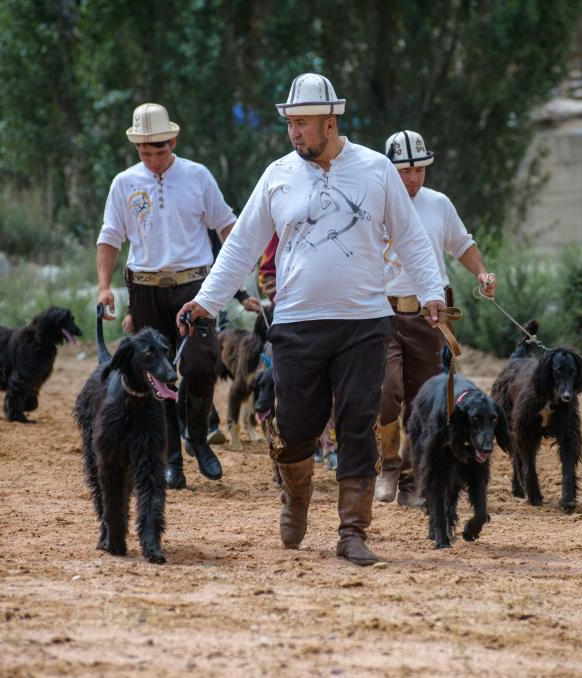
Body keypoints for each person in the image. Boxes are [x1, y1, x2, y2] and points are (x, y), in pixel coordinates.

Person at [177, 73, 447, 565]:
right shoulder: (277, 174)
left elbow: (410, 235)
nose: (294, 132)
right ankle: (297, 495)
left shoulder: (376, 169)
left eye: (302, 123)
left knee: (358, 422)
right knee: (294, 425)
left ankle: (352, 530)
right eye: (290, 123)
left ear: (330, 122)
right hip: (297, 322)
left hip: (365, 320)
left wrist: (431, 291)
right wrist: (206, 301)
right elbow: (242, 244)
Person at [96, 103, 236, 489]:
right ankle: (171, 459)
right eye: (145, 153)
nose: (153, 160)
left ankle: (197, 436)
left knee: (200, 365)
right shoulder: (124, 183)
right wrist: (104, 286)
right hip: (144, 289)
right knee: (157, 376)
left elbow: (228, 226)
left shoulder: (197, 176)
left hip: (194, 285)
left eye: (159, 151)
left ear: (173, 141)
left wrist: (232, 277)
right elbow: (110, 237)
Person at [375, 130, 498, 506]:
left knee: (423, 398)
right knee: (386, 390)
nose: (413, 178)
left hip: (430, 316)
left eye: (419, 170)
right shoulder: (372, 203)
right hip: (382, 311)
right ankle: (387, 466)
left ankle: (414, 476)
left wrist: (482, 273)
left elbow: (462, 244)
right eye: (405, 171)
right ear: (388, 170)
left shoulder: (438, 203)